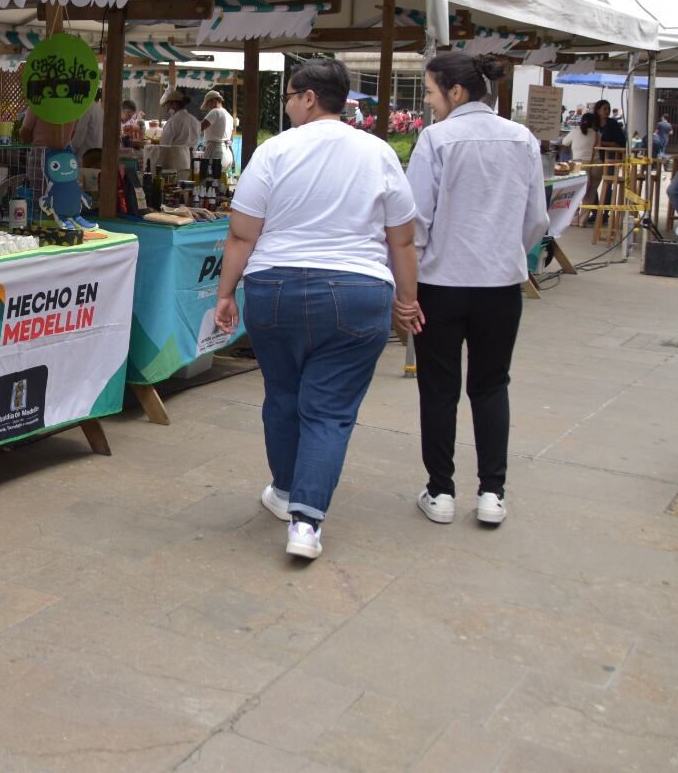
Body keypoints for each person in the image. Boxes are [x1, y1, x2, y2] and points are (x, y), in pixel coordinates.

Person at [213, 59, 420, 562]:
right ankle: (306, 522)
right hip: (358, 290)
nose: (285, 105)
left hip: (275, 286)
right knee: (328, 411)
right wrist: (408, 300)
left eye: (288, 95)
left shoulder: (275, 150)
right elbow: (403, 238)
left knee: (283, 395)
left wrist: (224, 294)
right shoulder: (378, 153)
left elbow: (243, 232)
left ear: (309, 97)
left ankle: (284, 492)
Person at [405, 53, 550, 528]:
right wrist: (507, 252)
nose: (427, 102)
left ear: (456, 92)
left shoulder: (436, 139)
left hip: (441, 285)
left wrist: (411, 278)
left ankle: (440, 491)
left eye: (429, 91)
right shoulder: (522, 138)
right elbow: (537, 220)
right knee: (491, 386)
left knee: (439, 389)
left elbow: (416, 221)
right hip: (500, 286)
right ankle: (492, 492)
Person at [157, 88, 201, 178]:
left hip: (175, 159)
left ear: (174, 104)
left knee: (173, 187)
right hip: (189, 159)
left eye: (169, 104)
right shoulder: (195, 120)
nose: (169, 107)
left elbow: (164, 144)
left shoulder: (173, 121)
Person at [200, 90, 235, 179]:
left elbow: (199, 128)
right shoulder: (229, 116)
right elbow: (231, 137)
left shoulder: (215, 111)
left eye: (207, 105)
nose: (208, 108)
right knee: (219, 185)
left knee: (209, 183)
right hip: (227, 152)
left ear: (212, 101)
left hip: (215, 152)